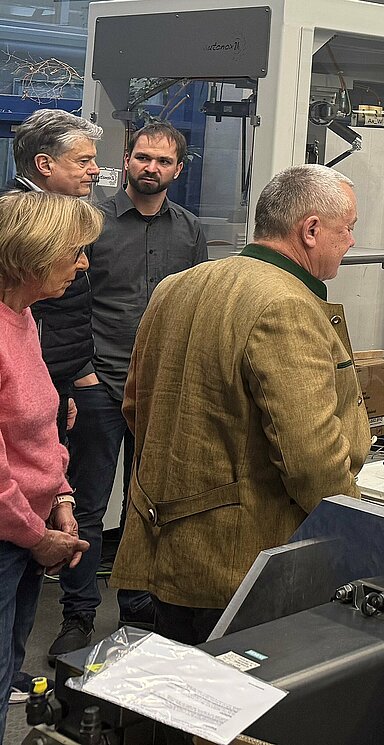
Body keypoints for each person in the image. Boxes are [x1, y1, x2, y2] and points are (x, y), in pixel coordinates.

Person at [113, 165, 371, 645]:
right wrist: (350, 533)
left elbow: (136, 407)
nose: (351, 242)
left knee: (177, 700)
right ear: (310, 230)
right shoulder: (287, 305)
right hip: (243, 561)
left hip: (169, 546)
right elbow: (310, 458)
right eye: (347, 228)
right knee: (240, 707)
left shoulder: (175, 286)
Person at [48, 122, 206, 661]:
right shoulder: (91, 225)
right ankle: (77, 615)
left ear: (178, 170)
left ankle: (139, 608)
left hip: (160, 390)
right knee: (86, 504)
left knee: (149, 502)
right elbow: (67, 304)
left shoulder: (189, 231)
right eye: (142, 157)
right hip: (100, 385)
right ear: (127, 159)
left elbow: (193, 311)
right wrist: (82, 374)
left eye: (163, 161)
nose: (150, 168)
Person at [0, 191, 97, 727]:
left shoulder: (25, 317)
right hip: (11, 534)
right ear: (33, 253)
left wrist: (59, 495)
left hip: (26, 530)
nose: (83, 264)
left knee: (10, 663)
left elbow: (37, 430)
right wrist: (37, 539)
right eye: (75, 251)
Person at [8, 110, 102, 445]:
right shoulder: (21, 223)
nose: (95, 171)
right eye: (83, 161)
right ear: (45, 165)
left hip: (52, 380)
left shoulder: (60, 214)